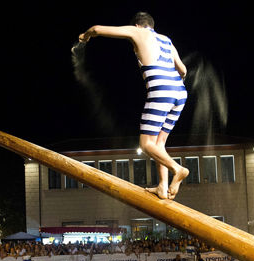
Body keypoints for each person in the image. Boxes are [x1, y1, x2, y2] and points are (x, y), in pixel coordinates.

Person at [79, 12, 189, 200]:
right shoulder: (166, 40)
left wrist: (85, 36)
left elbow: (97, 29)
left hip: (161, 91)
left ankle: (177, 169)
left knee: (146, 145)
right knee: (158, 144)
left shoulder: (138, 32)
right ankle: (162, 187)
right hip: (180, 93)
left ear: (138, 25)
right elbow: (183, 70)